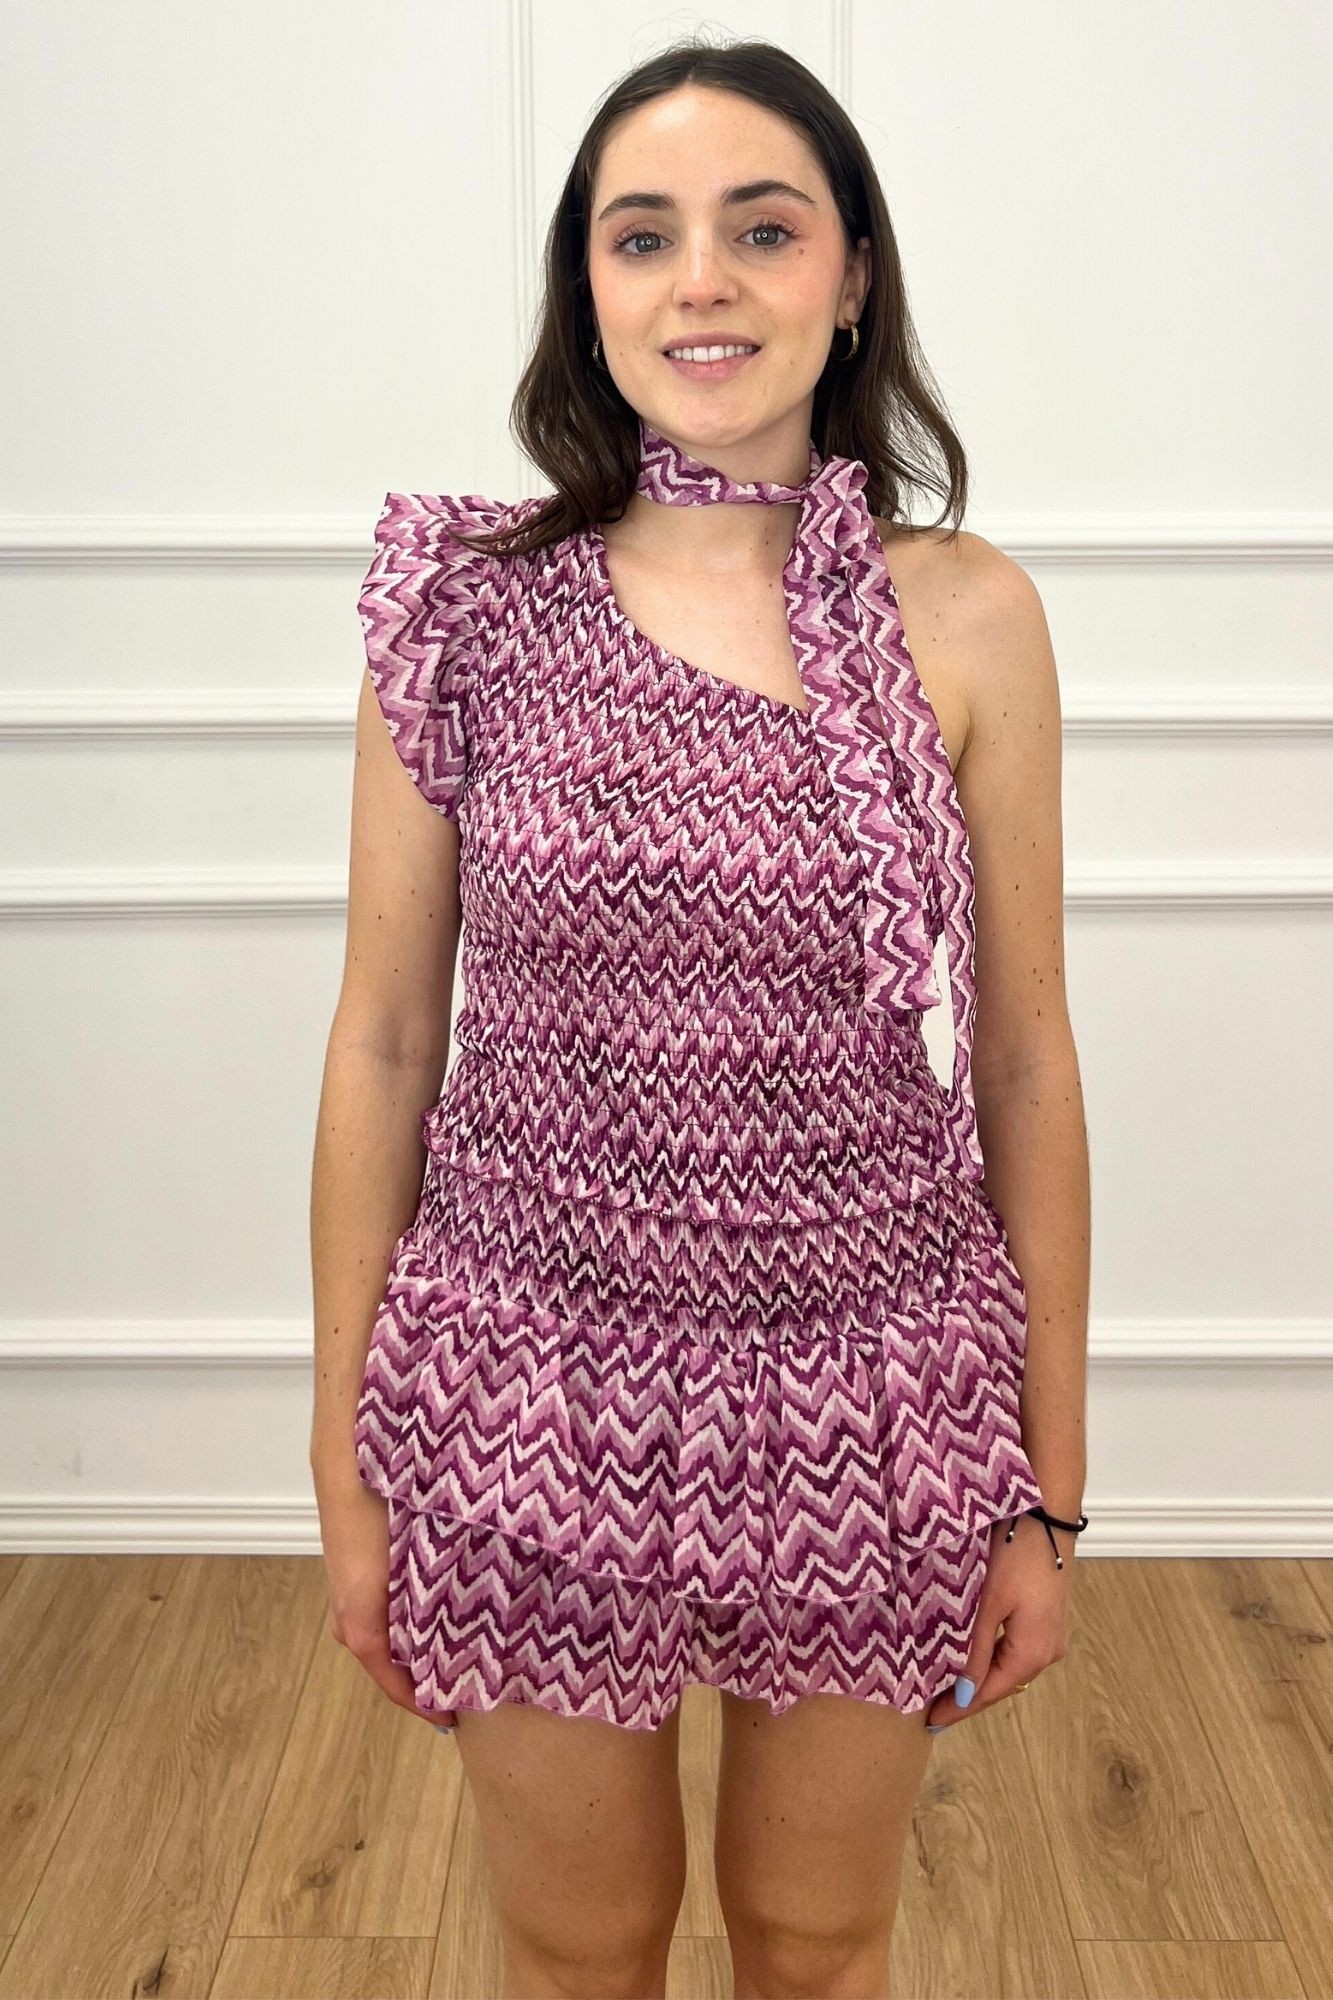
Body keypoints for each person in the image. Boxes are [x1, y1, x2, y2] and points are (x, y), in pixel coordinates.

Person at [310, 34, 1090, 2000]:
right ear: (586, 288)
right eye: (641, 235)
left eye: (763, 228)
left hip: (873, 1389)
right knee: (577, 1945)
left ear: (852, 275)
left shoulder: (966, 613)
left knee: (818, 1940)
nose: (702, 283)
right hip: (528, 1385)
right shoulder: (466, 608)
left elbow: (1020, 1058)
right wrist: (344, 1462)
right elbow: (383, 1043)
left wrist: (1048, 1491)